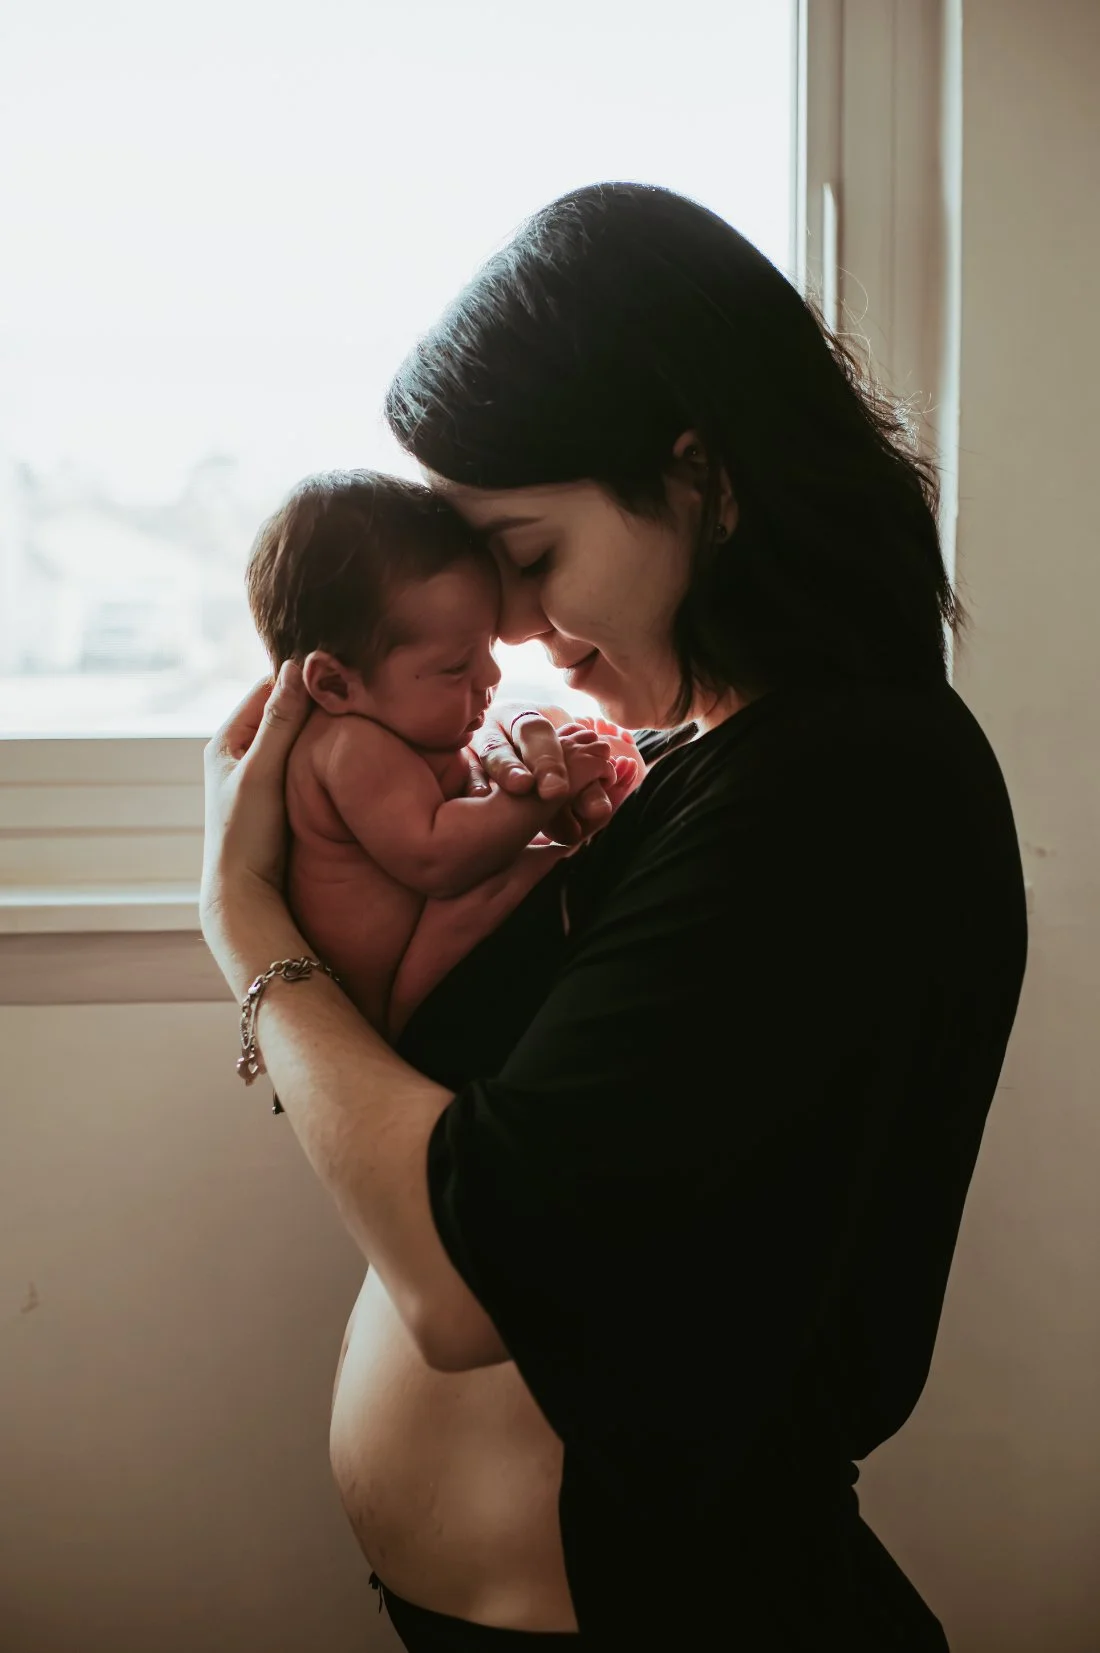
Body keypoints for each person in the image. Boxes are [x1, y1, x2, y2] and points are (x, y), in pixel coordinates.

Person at [200, 183, 1028, 1650]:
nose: (509, 627)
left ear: (697, 478)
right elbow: (437, 1111)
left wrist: (245, 921)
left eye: (527, 556)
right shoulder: (698, 772)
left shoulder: (849, 791)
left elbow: (464, 1282)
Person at [243, 469, 638, 1032]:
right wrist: (541, 801)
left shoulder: (399, 726)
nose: (492, 673)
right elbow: (438, 859)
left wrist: (549, 790)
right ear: (334, 684)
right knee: (540, 873)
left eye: (486, 648)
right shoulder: (345, 745)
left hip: (429, 956)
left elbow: (473, 810)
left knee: (533, 854)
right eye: (457, 666)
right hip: (398, 1006)